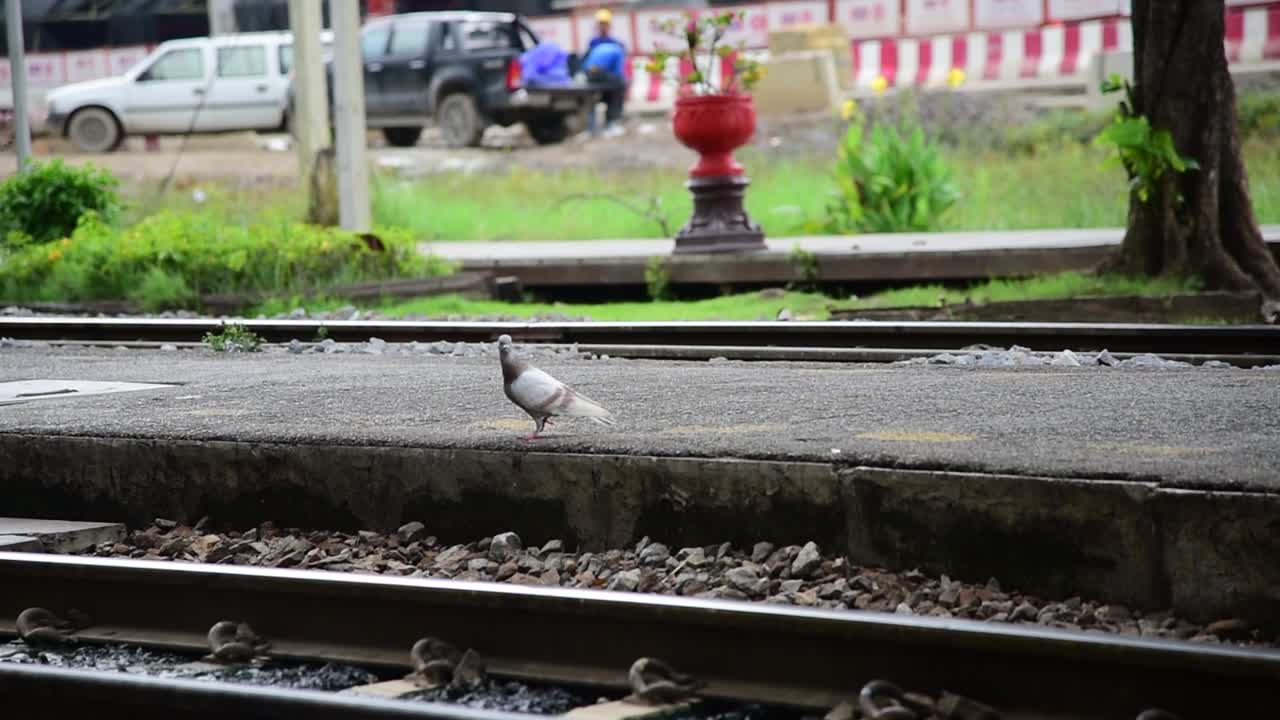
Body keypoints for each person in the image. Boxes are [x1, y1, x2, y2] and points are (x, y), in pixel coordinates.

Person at [581, 8, 627, 138]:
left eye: (604, 24)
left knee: (614, 94)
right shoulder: (593, 43)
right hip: (599, 77)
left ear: (609, 25)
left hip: (603, 77)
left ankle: (609, 123)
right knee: (619, 85)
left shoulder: (615, 43)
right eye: (600, 24)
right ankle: (601, 126)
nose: (602, 27)